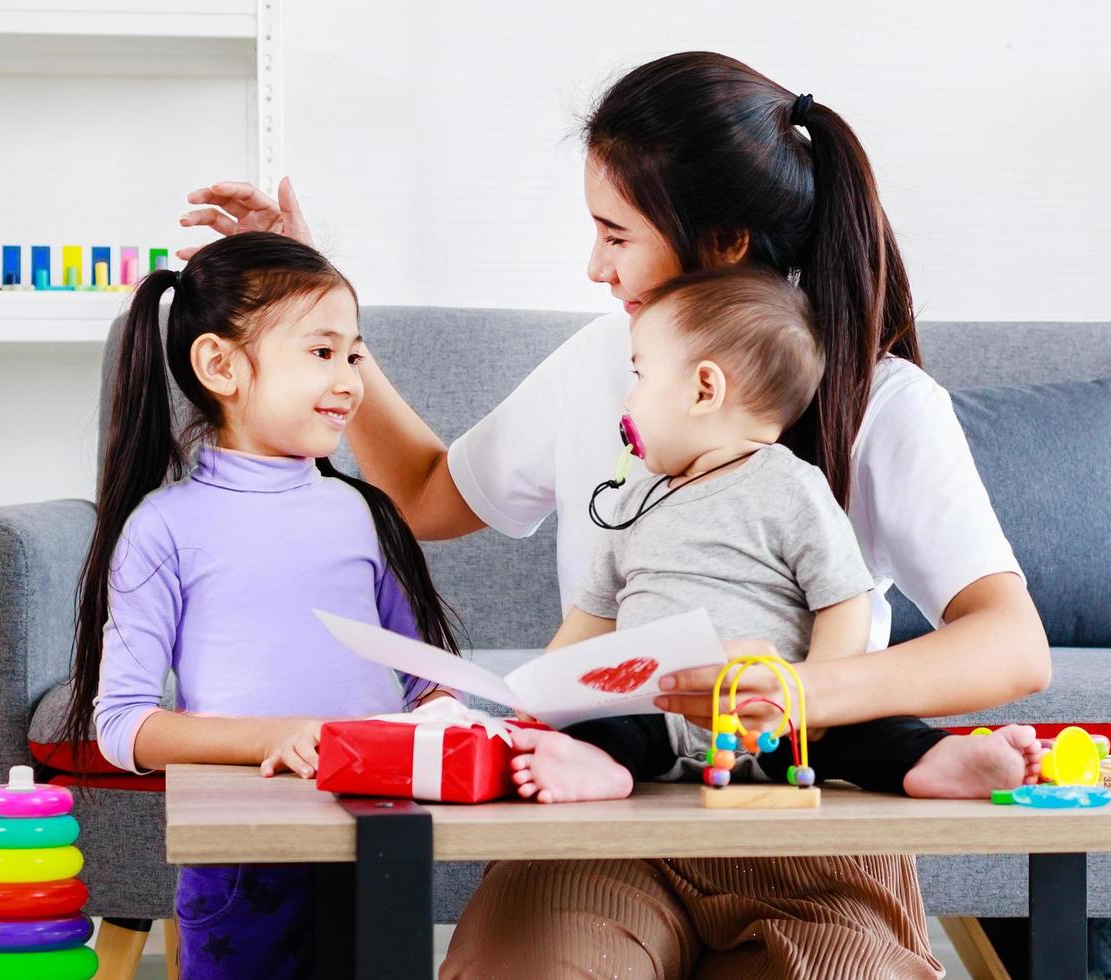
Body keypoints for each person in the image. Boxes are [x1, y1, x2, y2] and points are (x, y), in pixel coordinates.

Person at [181, 50, 1052, 980]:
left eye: (615, 233)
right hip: (605, 806)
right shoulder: (605, 361)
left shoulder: (884, 402)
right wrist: (325, 331)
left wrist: (793, 695)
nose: (593, 265)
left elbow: (1011, 644)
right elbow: (431, 494)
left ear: (720, 243)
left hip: (802, 828)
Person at [57, 232, 461, 977]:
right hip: (243, 858)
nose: (350, 380)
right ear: (220, 365)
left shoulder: (366, 514)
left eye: (354, 354)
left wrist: (443, 715)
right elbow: (120, 726)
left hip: (376, 842)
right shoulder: (164, 527)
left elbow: (425, 677)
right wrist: (267, 735)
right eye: (322, 352)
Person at [506, 265, 1044, 805]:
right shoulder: (633, 502)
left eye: (640, 378)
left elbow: (845, 600)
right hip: (661, 713)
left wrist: (813, 702)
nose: (628, 401)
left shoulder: (793, 487)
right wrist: (536, 695)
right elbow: (591, 618)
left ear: (704, 389)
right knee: (610, 723)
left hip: (782, 726)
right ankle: (599, 765)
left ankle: (937, 759)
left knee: (875, 729)